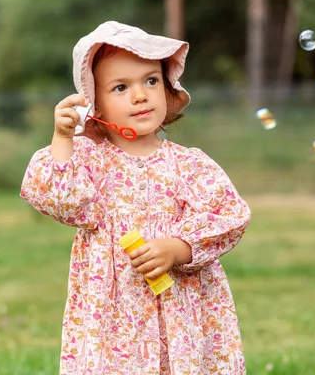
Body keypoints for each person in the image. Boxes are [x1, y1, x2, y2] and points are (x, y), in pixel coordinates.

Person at [20, 21, 251, 374]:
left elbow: (229, 216)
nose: (140, 95)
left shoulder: (189, 165)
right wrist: (63, 137)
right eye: (120, 87)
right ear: (94, 104)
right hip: (115, 316)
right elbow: (55, 195)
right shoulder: (90, 161)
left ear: (168, 88)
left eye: (151, 80)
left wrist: (179, 247)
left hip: (182, 308)